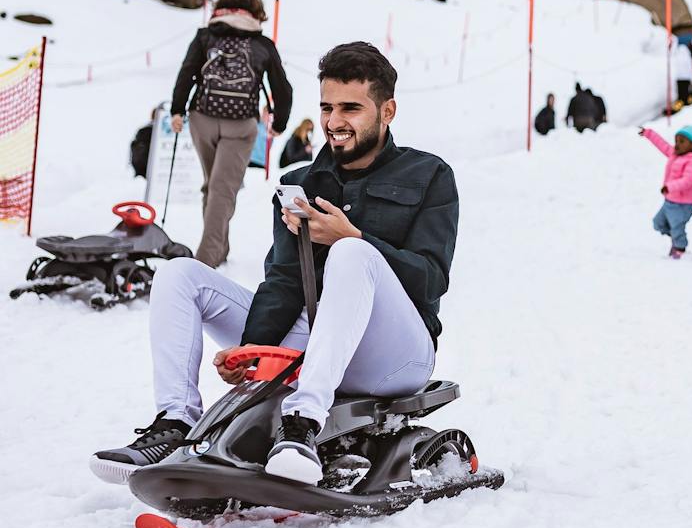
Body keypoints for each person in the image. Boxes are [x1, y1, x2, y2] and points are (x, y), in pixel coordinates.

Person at [91, 42, 459, 486]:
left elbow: (431, 279)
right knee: (179, 274)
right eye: (326, 107)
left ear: (387, 111)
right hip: (315, 340)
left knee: (351, 253)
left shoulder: (429, 175)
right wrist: (252, 350)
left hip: (393, 355)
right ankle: (175, 424)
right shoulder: (298, 184)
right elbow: (284, 280)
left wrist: (355, 237)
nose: (334, 122)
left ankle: (302, 424)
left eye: (351, 108)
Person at [170, 0, 293, 267]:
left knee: (213, 187)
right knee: (221, 189)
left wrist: (178, 109)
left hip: (202, 118)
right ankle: (206, 261)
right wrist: (280, 123)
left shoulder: (205, 37)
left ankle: (218, 249)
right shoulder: (262, 45)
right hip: (240, 125)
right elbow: (283, 89)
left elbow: (187, 73)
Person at [641, 124, 692, 258]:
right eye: (676, 141)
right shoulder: (674, 153)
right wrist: (648, 133)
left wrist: (670, 186)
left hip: (683, 204)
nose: (677, 145)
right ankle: (675, 237)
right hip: (670, 201)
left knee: (677, 227)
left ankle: (680, 249)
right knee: (658, 223)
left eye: (682, 142)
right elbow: (662, 145)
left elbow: (688, 180)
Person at [672, 35, 692, 111]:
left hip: (680, 76)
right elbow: (691, 65)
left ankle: (681, 102)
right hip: (686, 76)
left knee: (681, 90)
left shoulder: (678, 51)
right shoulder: (688, 52)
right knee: (686, 90)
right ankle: (686, 100)